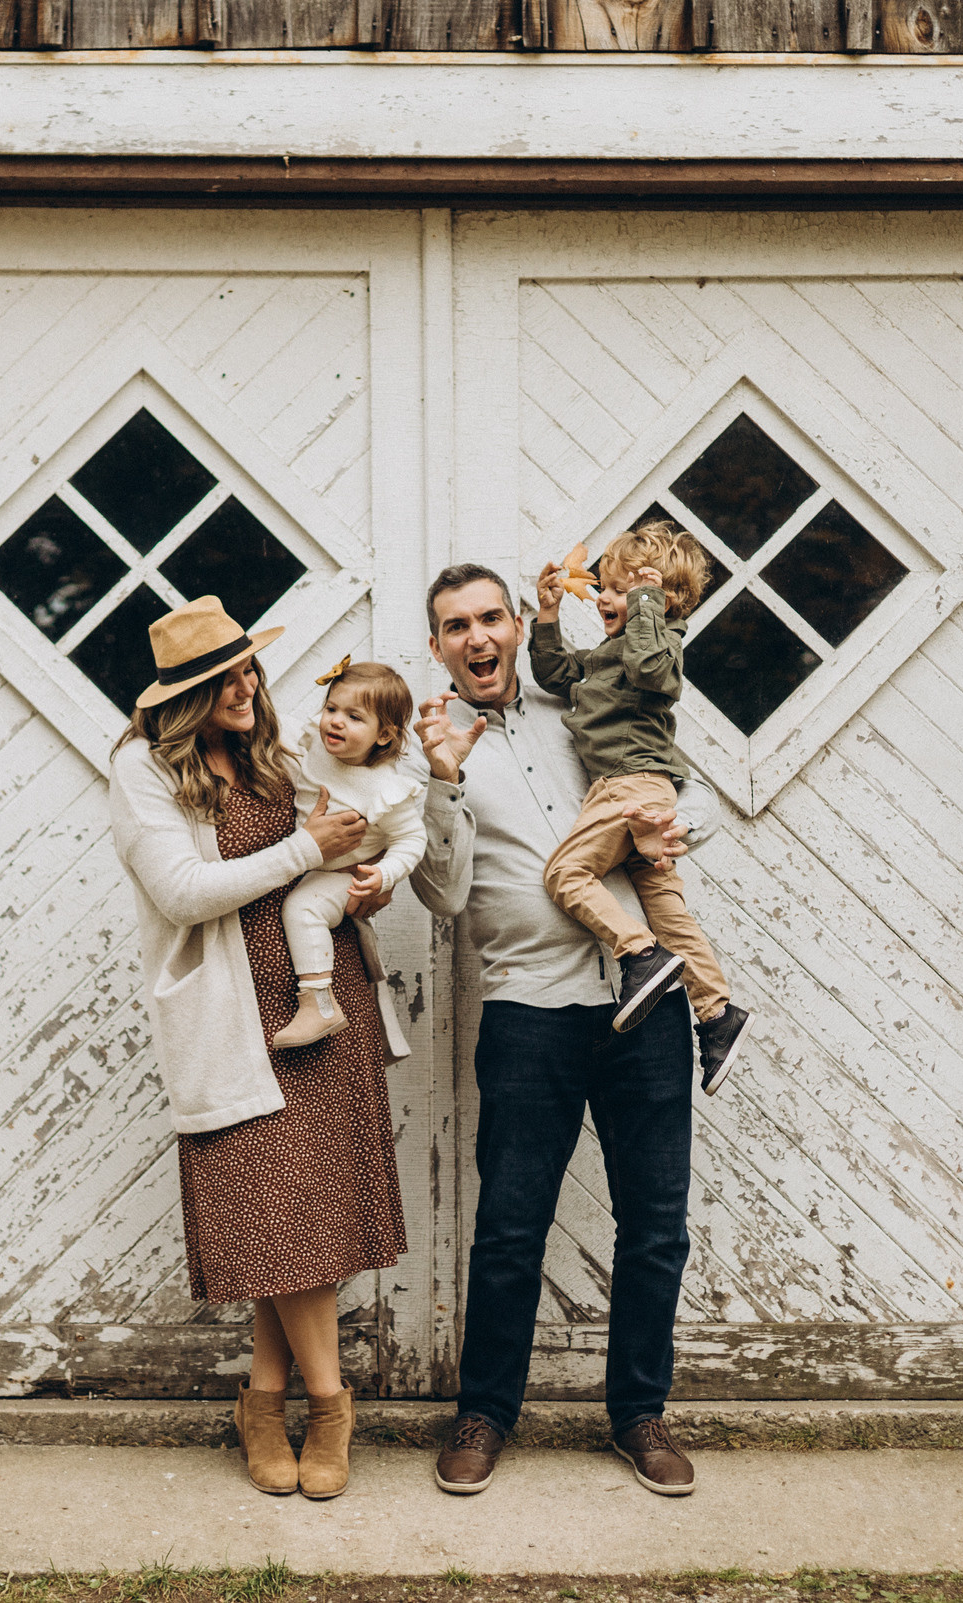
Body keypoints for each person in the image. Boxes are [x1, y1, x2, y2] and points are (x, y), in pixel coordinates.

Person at [409, 562, 707, 1500]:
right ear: (438, 647)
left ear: (512, 622)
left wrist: (672, 820)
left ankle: (639, 1415)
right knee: (509, 1226)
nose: (480, 637)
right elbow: (442, 896)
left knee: (655, 1225)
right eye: (457, 626)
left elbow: (662, 779)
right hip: (528, 1011)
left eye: (490, 617)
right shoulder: (432, 758)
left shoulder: (578, 709)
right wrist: (445, 785)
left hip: (645, 995)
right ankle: (485, 1412)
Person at [106, 596, 407, 1503]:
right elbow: (184, 890)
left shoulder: (271, 758)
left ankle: (263, 1401)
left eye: (246, 670)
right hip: (237, 1023)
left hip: (320, 1004)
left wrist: (359, 884)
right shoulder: (144, 770)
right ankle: (331, 1403)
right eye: (221, 679)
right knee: (282, 1217)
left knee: (305, 1223)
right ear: (182, 698)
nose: (244, 687)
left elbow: (326, 852)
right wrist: (303, 848)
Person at [531, 522, 752, 1092]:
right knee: (667, 908)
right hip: (632, 791)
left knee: (566, 874)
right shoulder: (609, 655)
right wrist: (549, 615)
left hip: (630, 784)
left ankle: (640, 956)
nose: (602, 599)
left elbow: (653, 671)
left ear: (661, 598)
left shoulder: (661, 645)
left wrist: (649, 603)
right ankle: (718, 1013)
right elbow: (555, 673)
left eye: (618, 590)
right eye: (602, 587)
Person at [275, 658, 428, 1050]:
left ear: (384, 735)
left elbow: (412, 840)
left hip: (344, 876)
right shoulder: (316, 744)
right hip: (308, 860)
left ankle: (319, 1004)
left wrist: (385, 875)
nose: (335, 722)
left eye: (354, 717)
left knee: (302, 909)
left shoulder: (383, 788)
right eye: (331, 709)